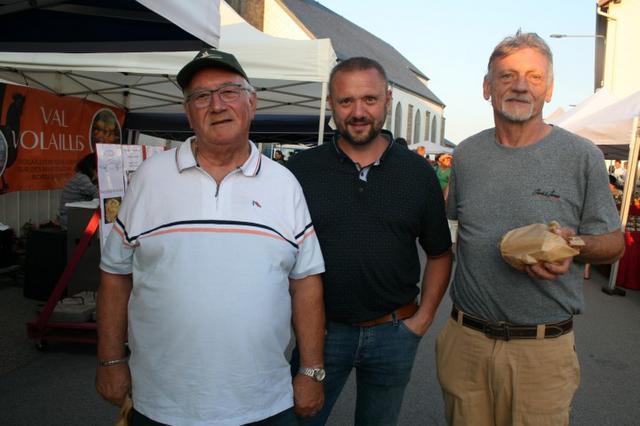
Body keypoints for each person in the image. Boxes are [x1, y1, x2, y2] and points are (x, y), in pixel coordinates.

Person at [96, 49, 326, 425]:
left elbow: (306, 282)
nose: (216, 105)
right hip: (161, 403)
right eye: (200, 97)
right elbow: (115, 274)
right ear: (188, 113)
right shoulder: (149, 179)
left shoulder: (284, 184)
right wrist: (109, 358)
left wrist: (311, 370)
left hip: (263, 401)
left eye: (229, 92)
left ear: (252, 102)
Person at [437, 31, 625, 426]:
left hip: (541, 351)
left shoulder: (581, 156)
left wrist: (571, 245)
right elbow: (453, 229)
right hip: (466, 342)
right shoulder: (467, 154)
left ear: (550, 90)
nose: (520, 86)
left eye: (534, 77)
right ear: (488, 88)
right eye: (507, 76)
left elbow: (613, 244)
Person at [288, 57, 452, 426]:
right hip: (320, 334)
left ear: (388, 99)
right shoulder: (300, 172)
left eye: (369, 100)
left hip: (394, 332)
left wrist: (422, 320)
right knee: (299, 420)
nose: (358, 112)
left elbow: (440, 253)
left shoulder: (417, 172)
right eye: (346, 101)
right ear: (331, 103)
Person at [58, 153, 98, 229]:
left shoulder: (83, 177)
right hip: (69, 219)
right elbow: (98, 195)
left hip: (75, 216)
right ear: (92, 169)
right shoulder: (82, 178)